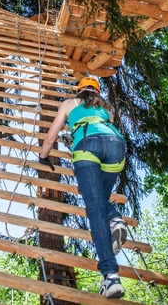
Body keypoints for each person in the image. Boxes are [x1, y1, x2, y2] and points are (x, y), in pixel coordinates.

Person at [38, 76, 128, 299]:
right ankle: (115, 217)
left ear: (79, 90)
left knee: (95, 208)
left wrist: (43, 157)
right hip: (116, 149)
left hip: (88, 147)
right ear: (96, 92)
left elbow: (51, 136)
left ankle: (110, 276)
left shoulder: (69, 104)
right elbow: (105, 132)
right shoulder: (106, 109)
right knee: (100, 199)